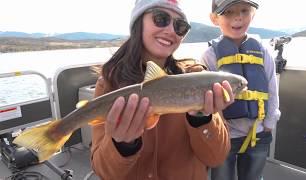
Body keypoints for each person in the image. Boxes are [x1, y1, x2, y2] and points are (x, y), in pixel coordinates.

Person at [90, 0, 235, 179]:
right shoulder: (109, 84)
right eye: (160, 18)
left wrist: (203, 118)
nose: (171, 31)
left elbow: (216, 158)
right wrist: (123, 145)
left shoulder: (198, 77)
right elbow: (104, 172)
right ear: (138, 22)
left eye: (180, 26)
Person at [200, 0, 281, 180]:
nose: (238, 17)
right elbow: (206, 99)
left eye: (245, 10)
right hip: (225, 135)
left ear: (253, 14)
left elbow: (272, 88)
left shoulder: (263, 50)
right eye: (228, 12)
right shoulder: (209, 55)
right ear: (214, 19)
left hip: (259, 133)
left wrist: (269, 123)